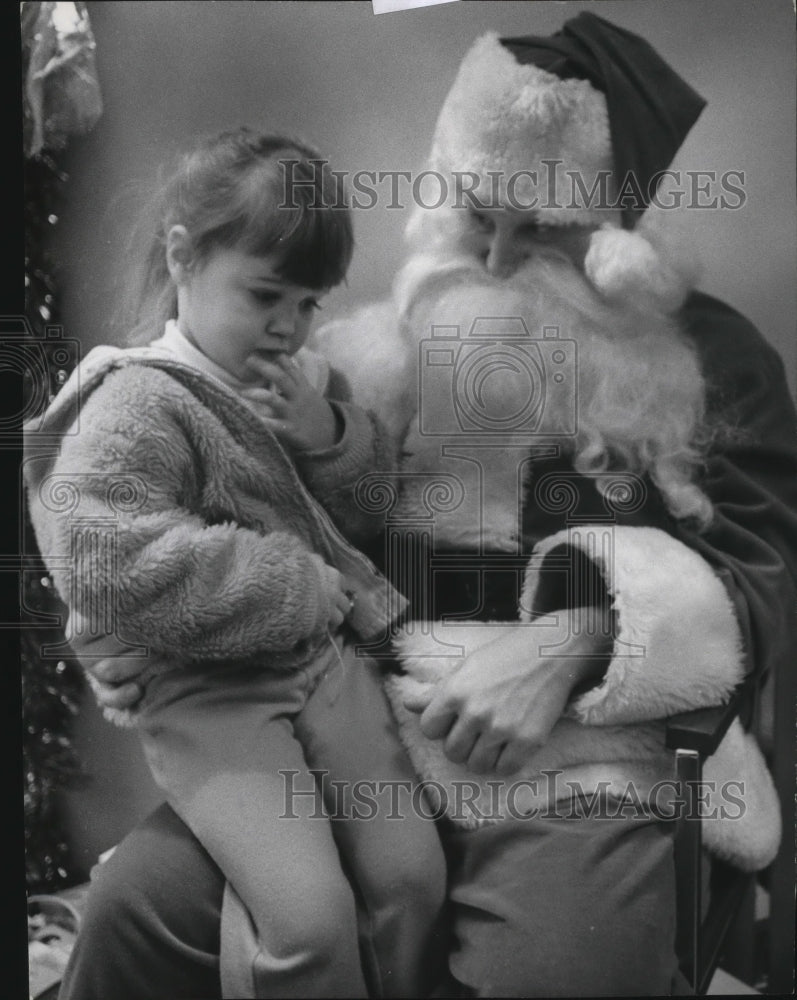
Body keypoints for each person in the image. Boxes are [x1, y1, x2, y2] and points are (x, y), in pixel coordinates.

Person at [51, 12, 797, 999]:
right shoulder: (375, 345)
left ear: (619, 233)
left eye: (540, 228)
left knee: (553, 972)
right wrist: (138, 630)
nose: (492, 256)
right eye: (475, 209)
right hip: (361, 726)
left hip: (587, 764)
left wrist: (574, 640)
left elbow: (756, 580)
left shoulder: (713, 361)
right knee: (136, 909)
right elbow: (263, 523)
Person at [24, 127, 447, 999]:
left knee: (411, 876)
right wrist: (289, 582)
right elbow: (104, 559)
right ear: (184, 256)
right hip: (212, 694)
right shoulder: (140, 401)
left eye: (308, 303)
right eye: (265, 296)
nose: (288, 327)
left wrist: (328, 435)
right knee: (307, 918)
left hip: (326, 669)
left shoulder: (300, 379)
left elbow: (368, 512)